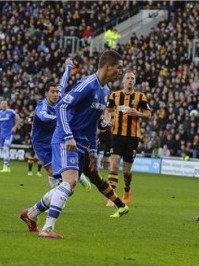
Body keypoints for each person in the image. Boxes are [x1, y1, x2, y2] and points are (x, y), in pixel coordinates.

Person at [20, 50, 128, 239]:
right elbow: (62, 105)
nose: (120, 72)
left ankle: (30, 214)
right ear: (107, 66)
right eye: (118, 68)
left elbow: (93, 121)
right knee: (70, 182)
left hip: (80, 142)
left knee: (67, 187)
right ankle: (48, 228)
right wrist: (68, 135)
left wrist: (93, 151)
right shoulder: (87, 84)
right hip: (65, 138)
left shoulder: (105, 91)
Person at [26, 58, 91, 190]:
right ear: (46, 94)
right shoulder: (41, 107)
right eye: (52, 92)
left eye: (56, 92)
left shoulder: (60, 95)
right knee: (51, 171)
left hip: (56, 137)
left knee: (63, 168)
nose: (56, 94)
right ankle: (59, 192)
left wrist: (68, 66)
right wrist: (60, 117)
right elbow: (44, 117)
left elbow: (64, 81)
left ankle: (72, 180)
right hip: (41, 142)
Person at [106, 70, 151, 206]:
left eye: (132, 78)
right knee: (113, 165)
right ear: (123, 81)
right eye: (128, 78)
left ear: (134, 81)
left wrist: (137, 113)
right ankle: (112, 197)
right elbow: (107, 111)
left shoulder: (140, 96)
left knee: (126, 171)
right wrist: (108, 120)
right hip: (116, 135)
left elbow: (148, 114)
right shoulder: (114, 95)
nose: (130, 80)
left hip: (132, 137)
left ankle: (126, 190)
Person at [0, 100, 21, 173]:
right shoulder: (0, 114)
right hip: (2, 135)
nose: (3, 105)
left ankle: (5, 167)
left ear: (7, 105)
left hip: (9, 134)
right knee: (3, 150)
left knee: (6, 148)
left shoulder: (11, 112)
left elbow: (19, 119)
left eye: (5, 104)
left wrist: (15, 127)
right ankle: (7, 167)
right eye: (2, 104)